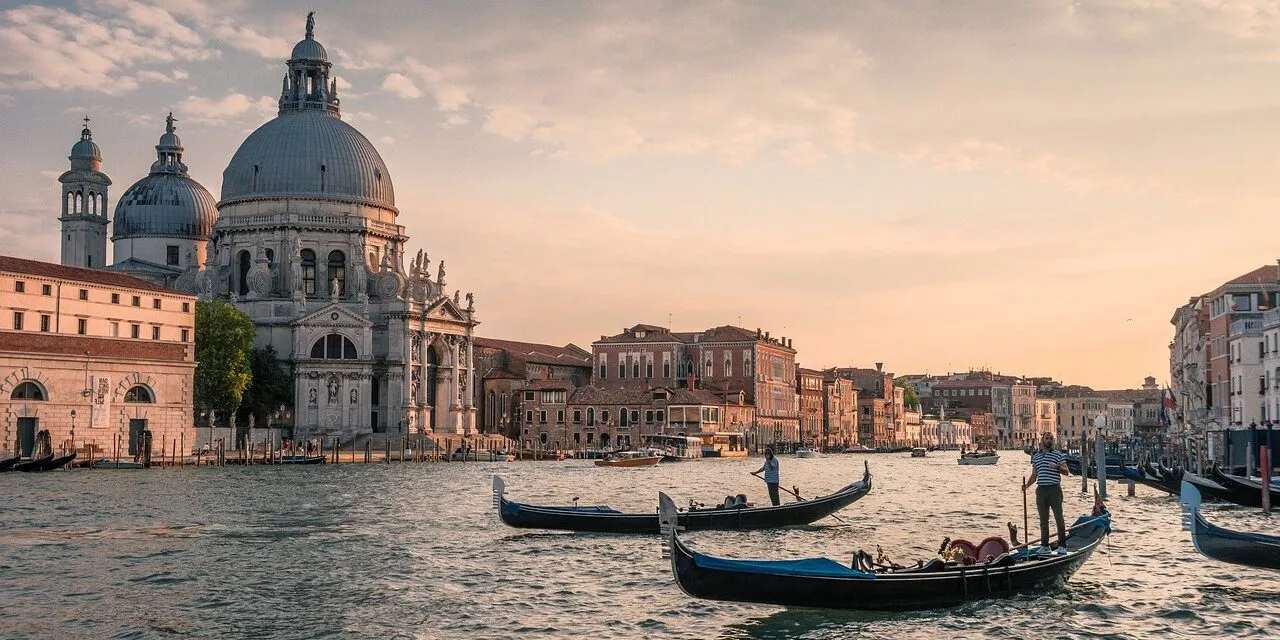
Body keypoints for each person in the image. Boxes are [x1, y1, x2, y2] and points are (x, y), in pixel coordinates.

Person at [1023, 432, 1070, 552]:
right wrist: (1026, 486)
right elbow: (1034, 475)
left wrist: (1057, 467)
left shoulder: (1058, 455)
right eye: (1047, 438)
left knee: (1059, 518)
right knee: (1043, 520)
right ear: (1042, 440)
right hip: (1041, 490)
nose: (1049, 441)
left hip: (1054, 489)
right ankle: (1044, 545)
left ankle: (1062, 546)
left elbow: (1066, 471)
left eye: (1051, 439)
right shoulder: (1036, 457)